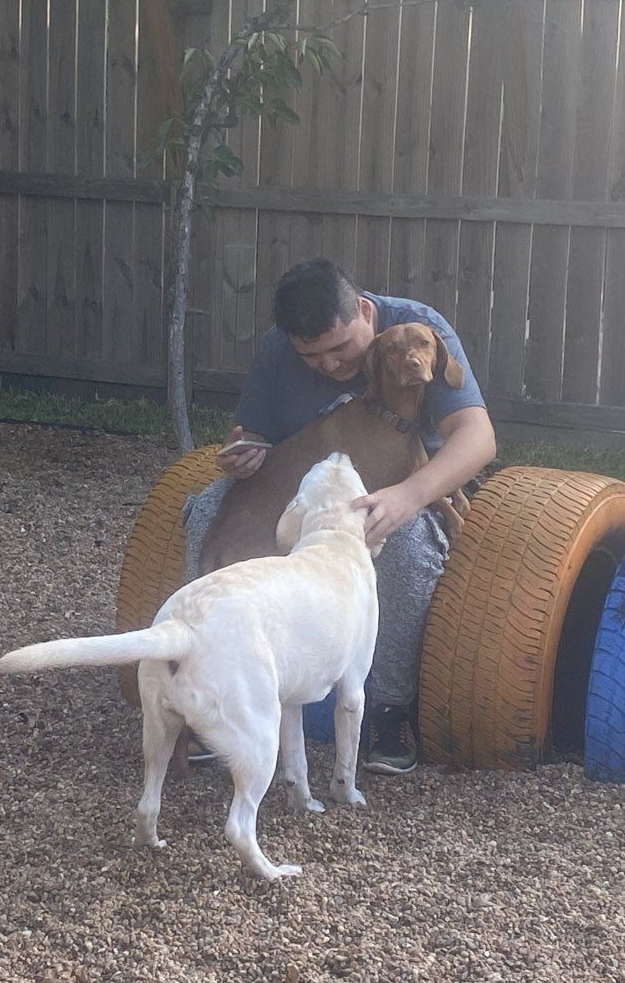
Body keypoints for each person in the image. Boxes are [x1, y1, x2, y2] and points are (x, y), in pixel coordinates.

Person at [184, 258, 496, 773]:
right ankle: (212, 693)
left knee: (405, 543)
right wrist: (244, 450)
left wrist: (410, 495)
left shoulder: (414, 329)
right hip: (300, 489)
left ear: (365, 315)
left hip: (406, 483)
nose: (329, 365)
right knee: (204, 513)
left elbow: (478, 437)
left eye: (341, 348)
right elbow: (249, 430)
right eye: (313, 357)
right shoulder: (278, 348)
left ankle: (389, 708)